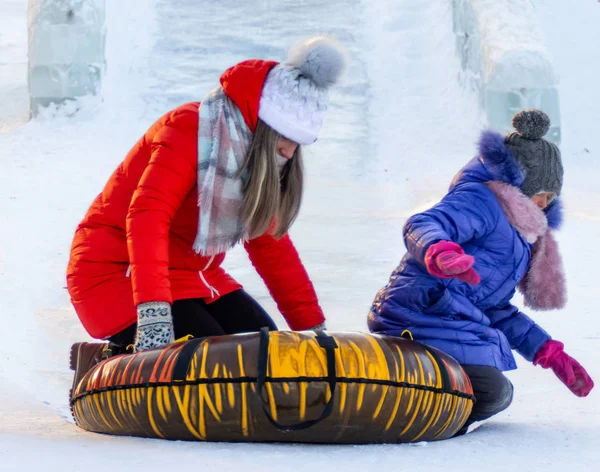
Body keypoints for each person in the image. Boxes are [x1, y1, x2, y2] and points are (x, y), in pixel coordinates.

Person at [67, 37, 347, 389]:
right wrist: (154, 313)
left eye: (299, 143)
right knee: (219, 368)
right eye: (286, 137)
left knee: (266, 350)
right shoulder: (189, 129)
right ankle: (110, 359)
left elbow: (270, 244)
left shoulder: (257, 160)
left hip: (194, 279)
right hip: (115, 275)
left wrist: (311, 331)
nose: (290, 152)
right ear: (264, 125)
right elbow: (146, 216)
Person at [368, 109, 594, 435]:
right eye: (542, 191)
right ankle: (406, 412)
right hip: (420, 313)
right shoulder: (481, 200)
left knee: (495, 392)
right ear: (520, 183)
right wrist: (439, 251)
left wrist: (549, 352)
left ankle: (419, 407)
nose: (545, 202)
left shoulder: (519, 238)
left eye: (552, 196)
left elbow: (494, 308)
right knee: (489, 390)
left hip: (451, 323)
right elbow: (423, 224)